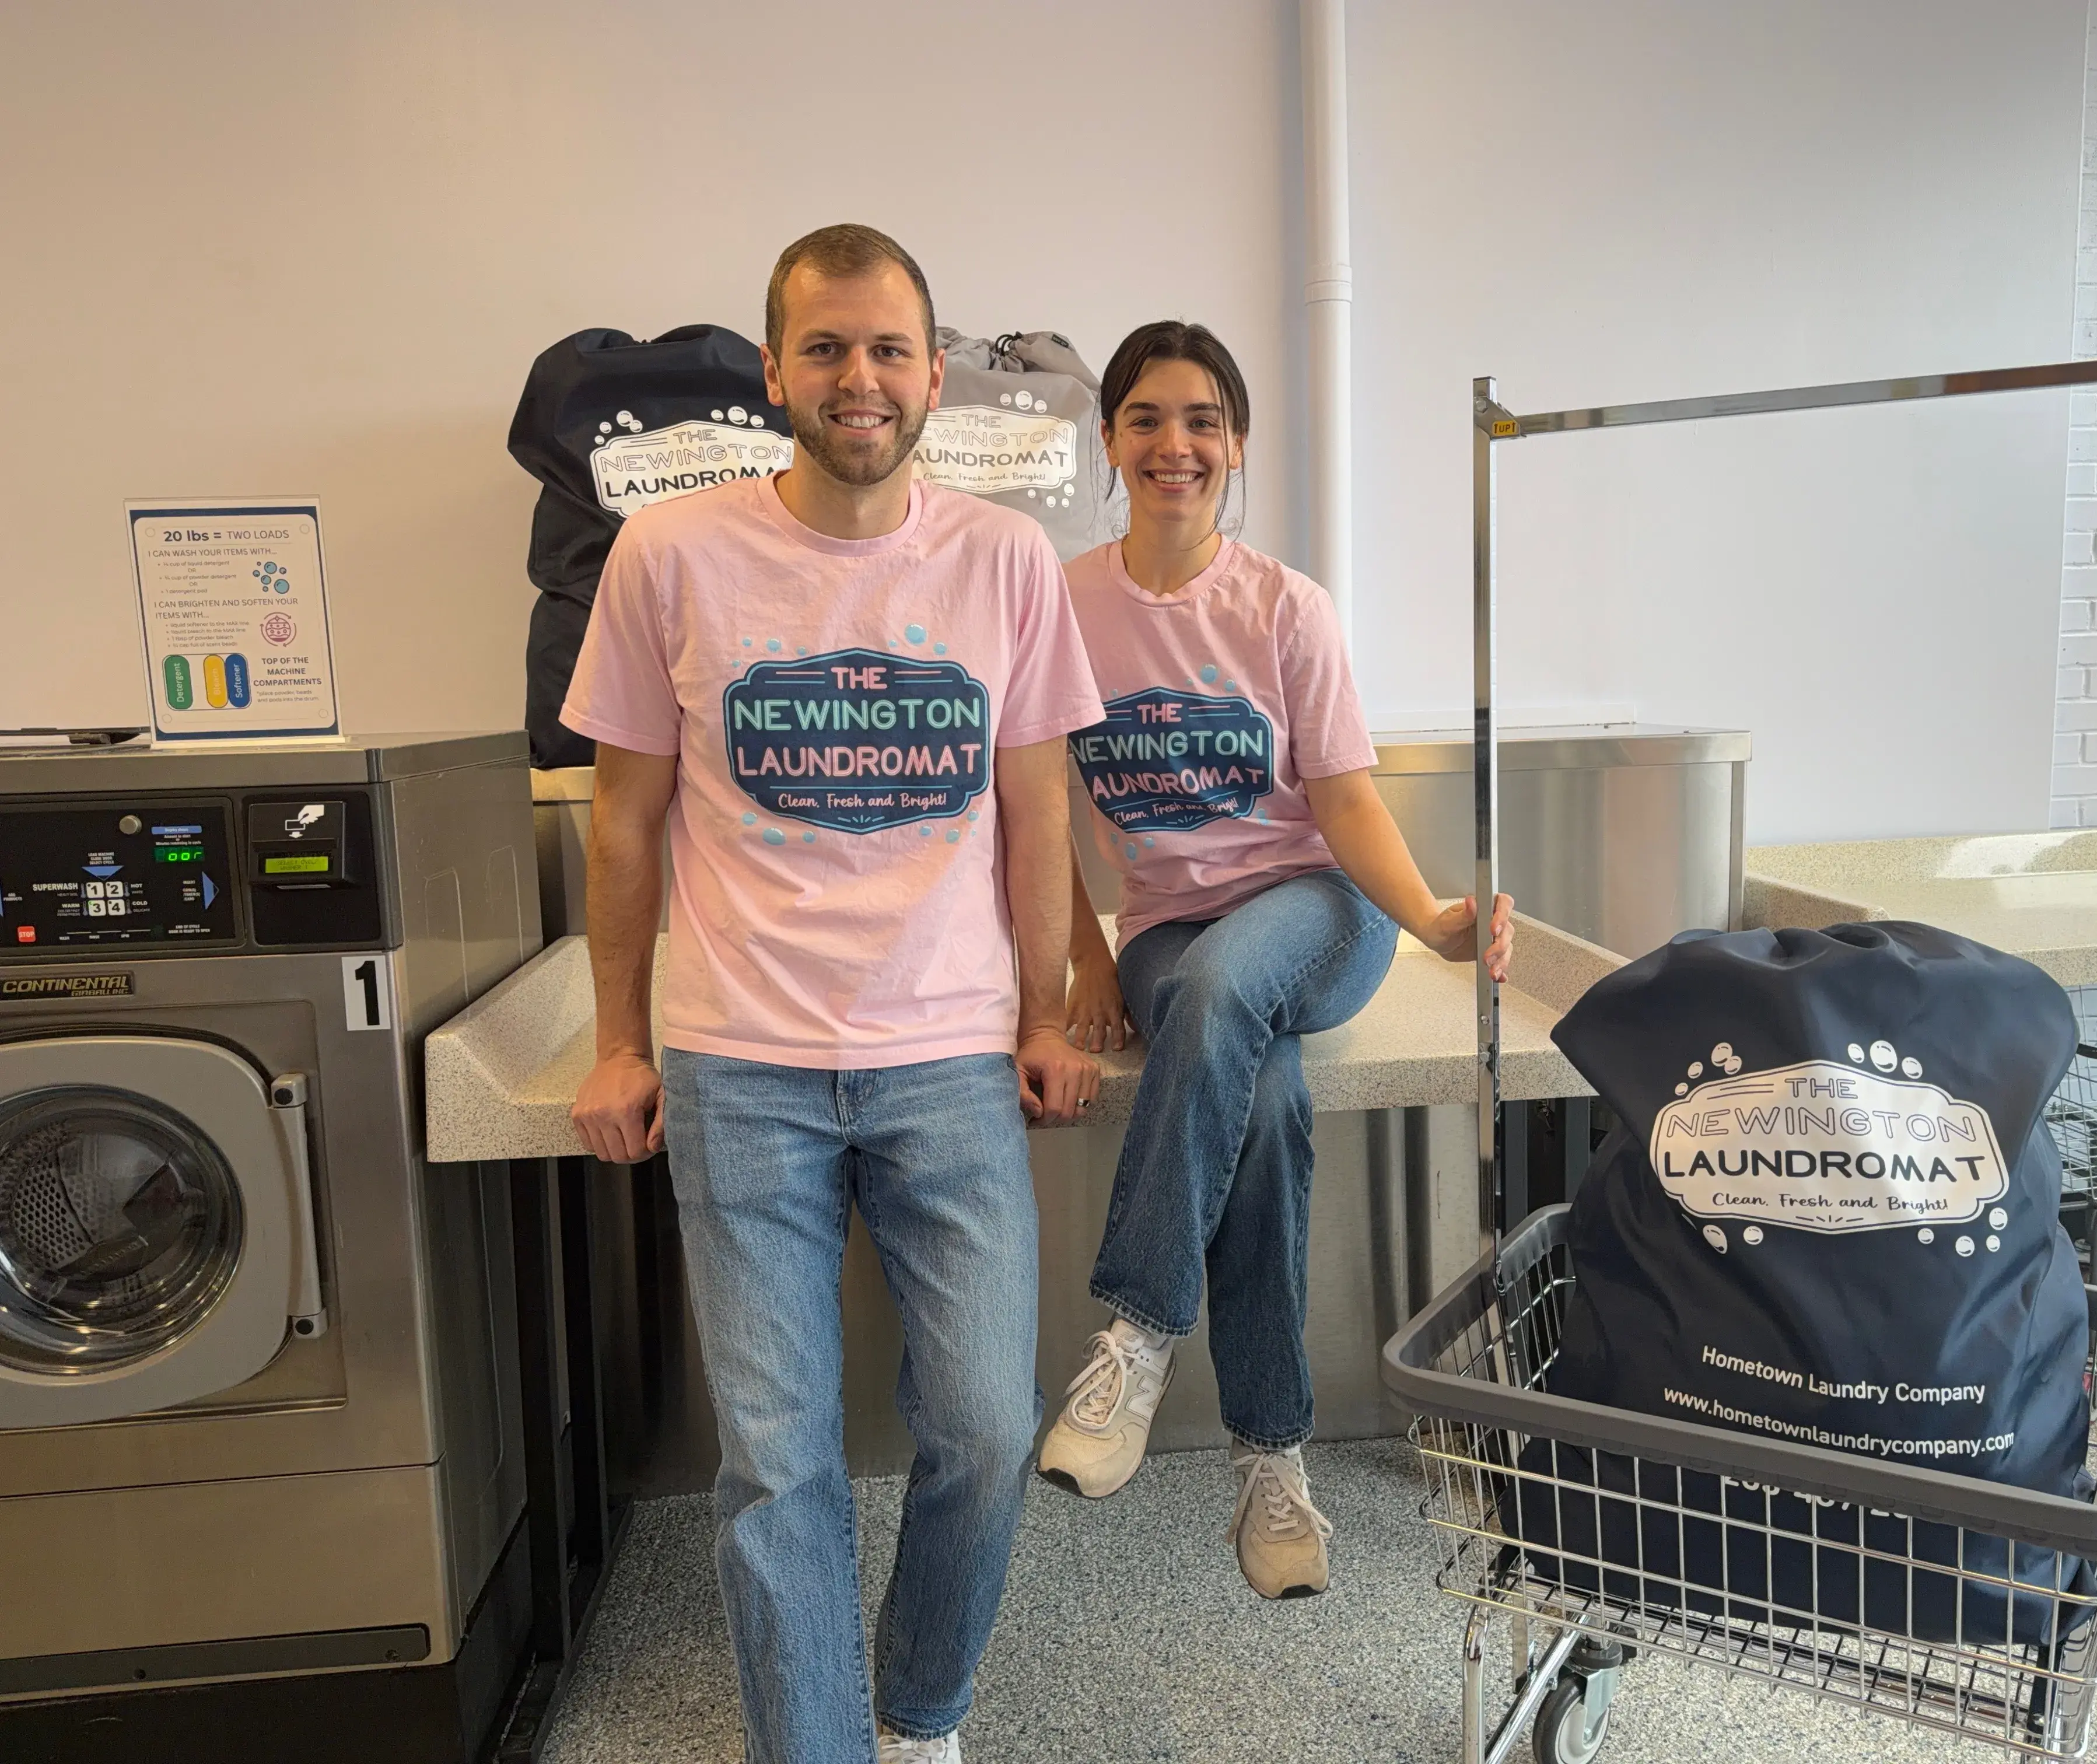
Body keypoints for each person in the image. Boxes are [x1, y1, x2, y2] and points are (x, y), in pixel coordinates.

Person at [564, 223, 1103, 1764]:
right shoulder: (671, 559)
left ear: (933, 374)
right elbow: (623, 819)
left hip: (947, 1061)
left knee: (990, 1429)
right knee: (778, 1461)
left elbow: (1040, 809)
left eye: (886, 350)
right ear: (772, 374)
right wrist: (616, 1042)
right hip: (742, 1067)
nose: (857, 378)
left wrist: (1047, 1013)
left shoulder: (1002, 560)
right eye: (825, 349)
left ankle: (917, 1714)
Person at [1037, 321, 1513, 1599]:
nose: (1173, 444)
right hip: (1170, 940)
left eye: (1201, 421)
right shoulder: (1065, 605)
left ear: (1235, 446)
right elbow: (1032, 807)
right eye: (1146, 419)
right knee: (1266, 1091)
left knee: (1228, 987)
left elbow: (1346, 803)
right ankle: (1272, 1461)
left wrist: (1429, 918)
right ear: (1112, 443)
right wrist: (1083, 960)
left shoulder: (1285, 607)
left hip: (1322, 912)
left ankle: (1138, 1335)